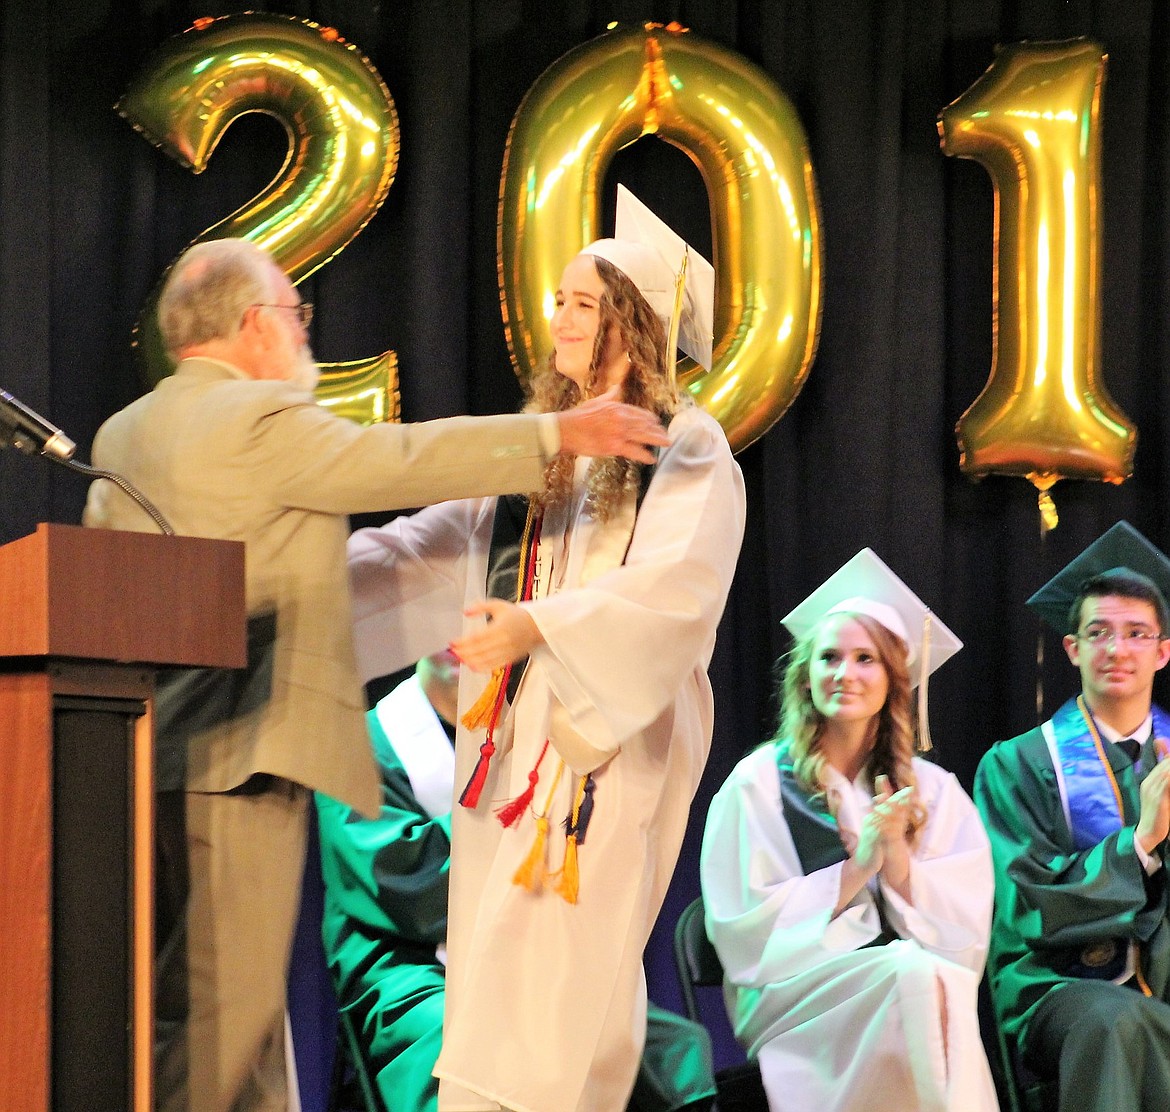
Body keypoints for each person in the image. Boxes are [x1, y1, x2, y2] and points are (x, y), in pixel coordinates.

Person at [80, 236, 671, 1112]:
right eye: (296, 315)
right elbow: (396, 459)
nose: (303, 335)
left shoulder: (120, 435)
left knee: (195, 1007)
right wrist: (559, 434)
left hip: (142, 754)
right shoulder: (256, 417)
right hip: (244, 754)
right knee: (224, 1019)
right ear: (253, 326)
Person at [346, 187, 746, 1112]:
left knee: (568, 1000)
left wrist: (538, 625)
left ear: (632, 325)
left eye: (581, 303)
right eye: (558, 300)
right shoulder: (548, 456)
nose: (556, 319)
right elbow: (422, 552)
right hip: (507, 759)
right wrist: (286, 588)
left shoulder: (687, 446)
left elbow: (677, 591)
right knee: (496, 1000)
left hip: (603, 751)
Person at [315, 650, 717, 1112]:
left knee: (661, 1048)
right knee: (479, 1061)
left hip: (527, 955)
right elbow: (401, 884)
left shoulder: (526, 732)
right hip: (411, 967)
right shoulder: (359, 743)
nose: (456, 636)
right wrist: (517, 814)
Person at [701, 549, 999, 1112]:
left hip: (901, 977)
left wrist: (897, 858)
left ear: (893, 678)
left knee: (925, 977)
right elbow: (743, 931)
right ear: (806, 672)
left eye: (866, 659)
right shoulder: (759, 783)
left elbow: (962, 935)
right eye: (829, 657)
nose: (845, 673)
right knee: (914, 977)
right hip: (793, 993)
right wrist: (857, 865)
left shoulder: (932, 791)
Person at [975, 521, 1170, 1111]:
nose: (1117, 649)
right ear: (1072, 648)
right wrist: (1141, 843)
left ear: (1163, 650)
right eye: (1099, 632)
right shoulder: (1016, 764)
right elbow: (1026, 903)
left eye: (1137, 634)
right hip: (1060, 986)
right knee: (1114, 1021)